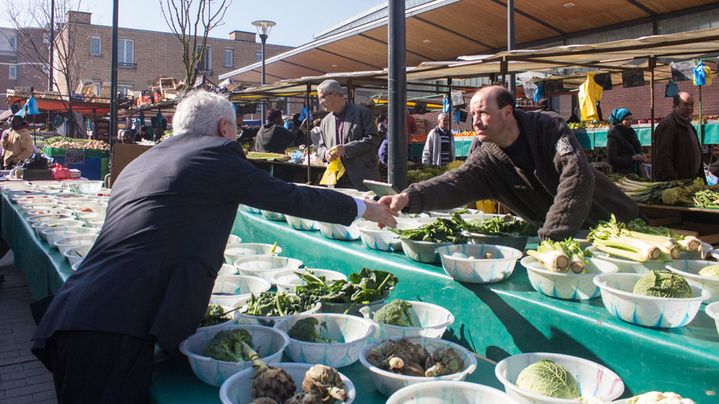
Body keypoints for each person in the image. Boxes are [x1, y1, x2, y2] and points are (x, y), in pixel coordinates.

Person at [31, 90, 397, 403]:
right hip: (114, 333)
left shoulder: (142, 163)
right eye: (236, 130)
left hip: (75, 314)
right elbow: (289, 197)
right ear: (225, 129)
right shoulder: (214, 158)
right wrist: (365, 208)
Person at [379, 86, 642, 241]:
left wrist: (551, 238)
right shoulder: (486, 157)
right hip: (566, 244)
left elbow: (577, 175)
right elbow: (456, 182)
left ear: (507, 112)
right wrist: (408, 198)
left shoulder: (548, 128)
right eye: (472, 115)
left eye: (482, 112)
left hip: (617, 228)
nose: (475, 122)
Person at [316, 79, 382, 191]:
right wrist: (326, 153)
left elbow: (373, 139)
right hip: (337, 180)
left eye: (322, 97)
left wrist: (346, 149)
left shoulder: (362, 113)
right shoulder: (325, 121)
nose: (320, 102)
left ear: (334, 95)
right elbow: (320, 146)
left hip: (362, 178)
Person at [654, 92, 704, 181]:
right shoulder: (668, 125)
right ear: (675, 106)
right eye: (685, 104)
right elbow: (663, 157)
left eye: (691, 104)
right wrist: (673, 180)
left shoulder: (688, 125)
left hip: (689, 179)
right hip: (677, 183)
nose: (689, 108)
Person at [606, 108, 644, 175]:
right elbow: (611, 159)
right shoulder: (613, 136)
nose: (630, 121)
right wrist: (632, 158)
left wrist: (641, 155)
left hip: (636, 172)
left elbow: (637, 148)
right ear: (620, 121)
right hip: (622, 174)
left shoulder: (632, 132)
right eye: (627, 119)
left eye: (631, 119)